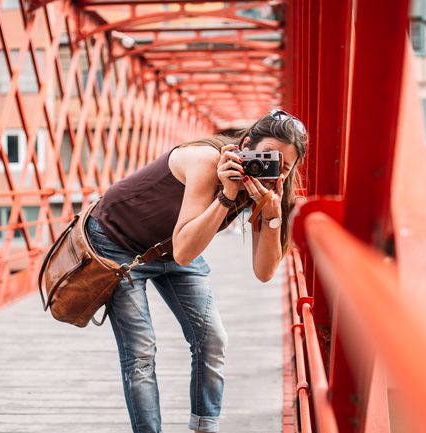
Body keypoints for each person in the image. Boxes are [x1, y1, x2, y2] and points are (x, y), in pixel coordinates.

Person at [85, 109, 308, 433]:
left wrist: (272, 216)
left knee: (213, 338)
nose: (269, 171)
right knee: (142, 352)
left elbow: (263, 272)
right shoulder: (208, 162)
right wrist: (227, 194)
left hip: (171, 244)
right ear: (246, 145)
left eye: (282, 167)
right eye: (265, 158)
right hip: (117, 240)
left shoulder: (269, 189)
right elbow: (186, 251)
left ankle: (205, 427)